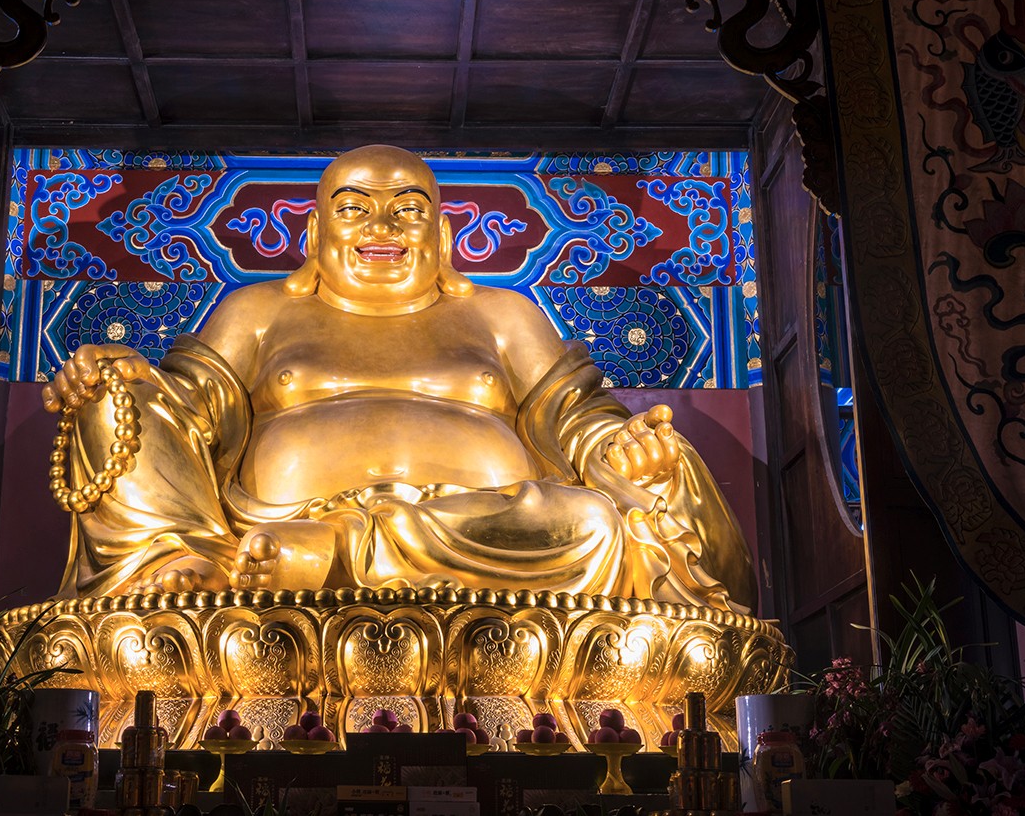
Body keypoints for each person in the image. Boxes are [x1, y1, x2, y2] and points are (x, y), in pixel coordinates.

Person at [41, 145, 756, 612]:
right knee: (115, 399)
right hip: (269, 532)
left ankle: (330, 560)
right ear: (314, 236)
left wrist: (620, 451)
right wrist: (121, 378)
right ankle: (191, 569)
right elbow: (181, 414)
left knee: (596, 524)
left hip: (480, 541)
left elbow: (577, 418)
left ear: (442, 236)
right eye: (352, 207)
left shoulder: (502, 315)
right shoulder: (255, 312)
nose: (380, 224)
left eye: (408, 210)